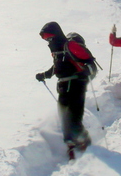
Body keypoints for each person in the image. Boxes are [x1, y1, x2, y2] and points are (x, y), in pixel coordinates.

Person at [35, 21, 93, 152]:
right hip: (63, 86)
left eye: (50, 37)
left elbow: (90, 62)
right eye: (46, 39)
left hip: (77, 84)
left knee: (74, 117)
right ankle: (70, 143)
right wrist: (44, 75)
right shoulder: (57, 51)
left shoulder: (70, 46)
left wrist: (86, 71)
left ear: (56, 34)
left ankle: (85, 144)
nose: (49, 41)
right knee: (64, 117)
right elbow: (57, 67)